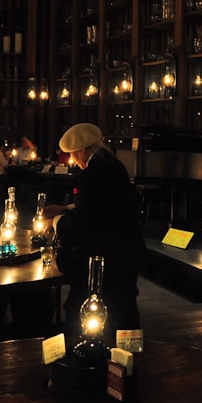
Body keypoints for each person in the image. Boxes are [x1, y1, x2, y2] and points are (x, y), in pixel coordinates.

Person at [44, 123, 146, 339]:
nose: (73, 160)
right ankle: (129, 359)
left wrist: (56, 222)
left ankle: (88, 355)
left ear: (81, 150)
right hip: (127, 248)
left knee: (82, 307)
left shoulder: (92, 173)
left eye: (72, 154)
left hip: (108, 252)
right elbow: (105, 205)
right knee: (124, 306)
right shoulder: (112, 164)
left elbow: (86, 220)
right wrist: (66, 208)